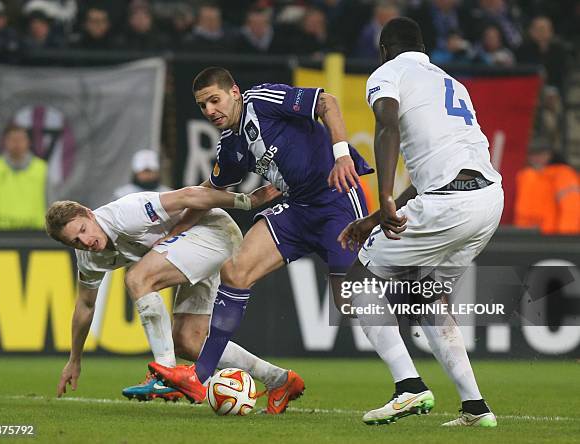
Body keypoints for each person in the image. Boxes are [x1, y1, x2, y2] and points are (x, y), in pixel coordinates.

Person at [148, 67, 373, 408]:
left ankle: (419, 305)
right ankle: (200, 375)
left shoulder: (262, 100)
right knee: (235, 270)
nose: (210, 111)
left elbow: (328, 102)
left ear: (234, 92)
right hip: (297, 209)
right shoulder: (232, 146)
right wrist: (176, 229)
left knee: (352, 301)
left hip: (335, 199)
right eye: (202, 106)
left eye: (214, 100)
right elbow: (210, 191)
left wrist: (342, 155)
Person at [337, 17, 503, 427]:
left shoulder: (388, 73)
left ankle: (407, 386)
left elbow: (386, 123)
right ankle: (476, 408)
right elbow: (434, 172)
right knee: (427, 297)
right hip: (488, 200)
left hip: (448, 205)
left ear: (382, 51)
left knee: (352, 282)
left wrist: (386, 196)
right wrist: (375, 218)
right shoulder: (450, 81)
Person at [46, 185, 299, 412]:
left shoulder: (125, 214)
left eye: (83, 230)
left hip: (213, 230)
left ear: (90, 214)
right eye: (76, 242)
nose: (86, 242)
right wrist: (74, 359)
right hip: (187, 248)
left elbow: (190, 195)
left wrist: (247, 201)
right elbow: (85, 305)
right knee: (188, 341)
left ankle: (165, 373)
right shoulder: (89, 258)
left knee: (138, 278)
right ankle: (280, 380)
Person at [0, 125, 48, 230]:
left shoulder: (41, 168)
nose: (17, 143)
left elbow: (51, 202)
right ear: (5, 142)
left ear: (29, 142)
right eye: (12, 139)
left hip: (34, 235)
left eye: (21, 139)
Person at [514, 142, 580, 235]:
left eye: (541, 154)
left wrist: (567, 236)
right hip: (526, 235)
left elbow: (571, 207)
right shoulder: (524, 176)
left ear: (550, 155)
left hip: (551, 236)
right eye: (533, 154)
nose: (536, 158)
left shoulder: (563, 174)